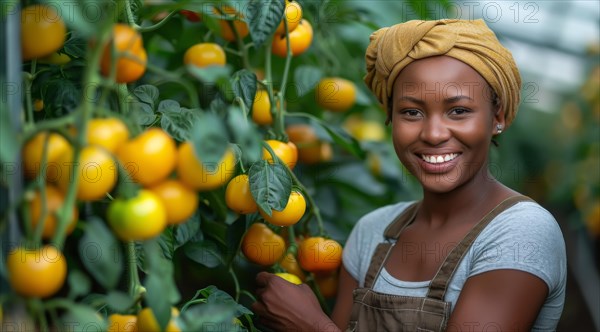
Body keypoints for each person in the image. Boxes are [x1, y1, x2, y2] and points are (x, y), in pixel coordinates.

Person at [251, 19, 567, 332]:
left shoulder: (521, 232)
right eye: (411, 112)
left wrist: (309, 325)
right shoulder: (371, 233)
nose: (432, 134)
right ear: (390, 118)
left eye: (458, 110)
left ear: (497, 118)